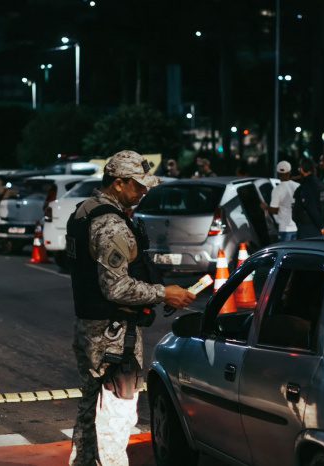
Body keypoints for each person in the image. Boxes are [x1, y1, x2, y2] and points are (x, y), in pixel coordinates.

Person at [67, 150, 196, 466]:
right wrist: (164, 293)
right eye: (138, 185)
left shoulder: (84, 211)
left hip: (90, 327)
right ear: (119, 182)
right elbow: (116, 287)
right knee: (117, 412)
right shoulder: (111, 225)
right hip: (113, 333)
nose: (143, 192)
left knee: (90, 408)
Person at [261, 160, 299, 241]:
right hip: (298, 227)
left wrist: (265, 207)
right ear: (290, 172)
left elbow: (274, 210)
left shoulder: (277, 190)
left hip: (284, 229)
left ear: (278, 174)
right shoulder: (297, 186)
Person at [292, 158, 324, 239]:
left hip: (308, 228)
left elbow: (311, 208)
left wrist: (321, 226)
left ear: (302, 169)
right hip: (319, 227)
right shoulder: (321, 184)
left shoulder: (306, 186)